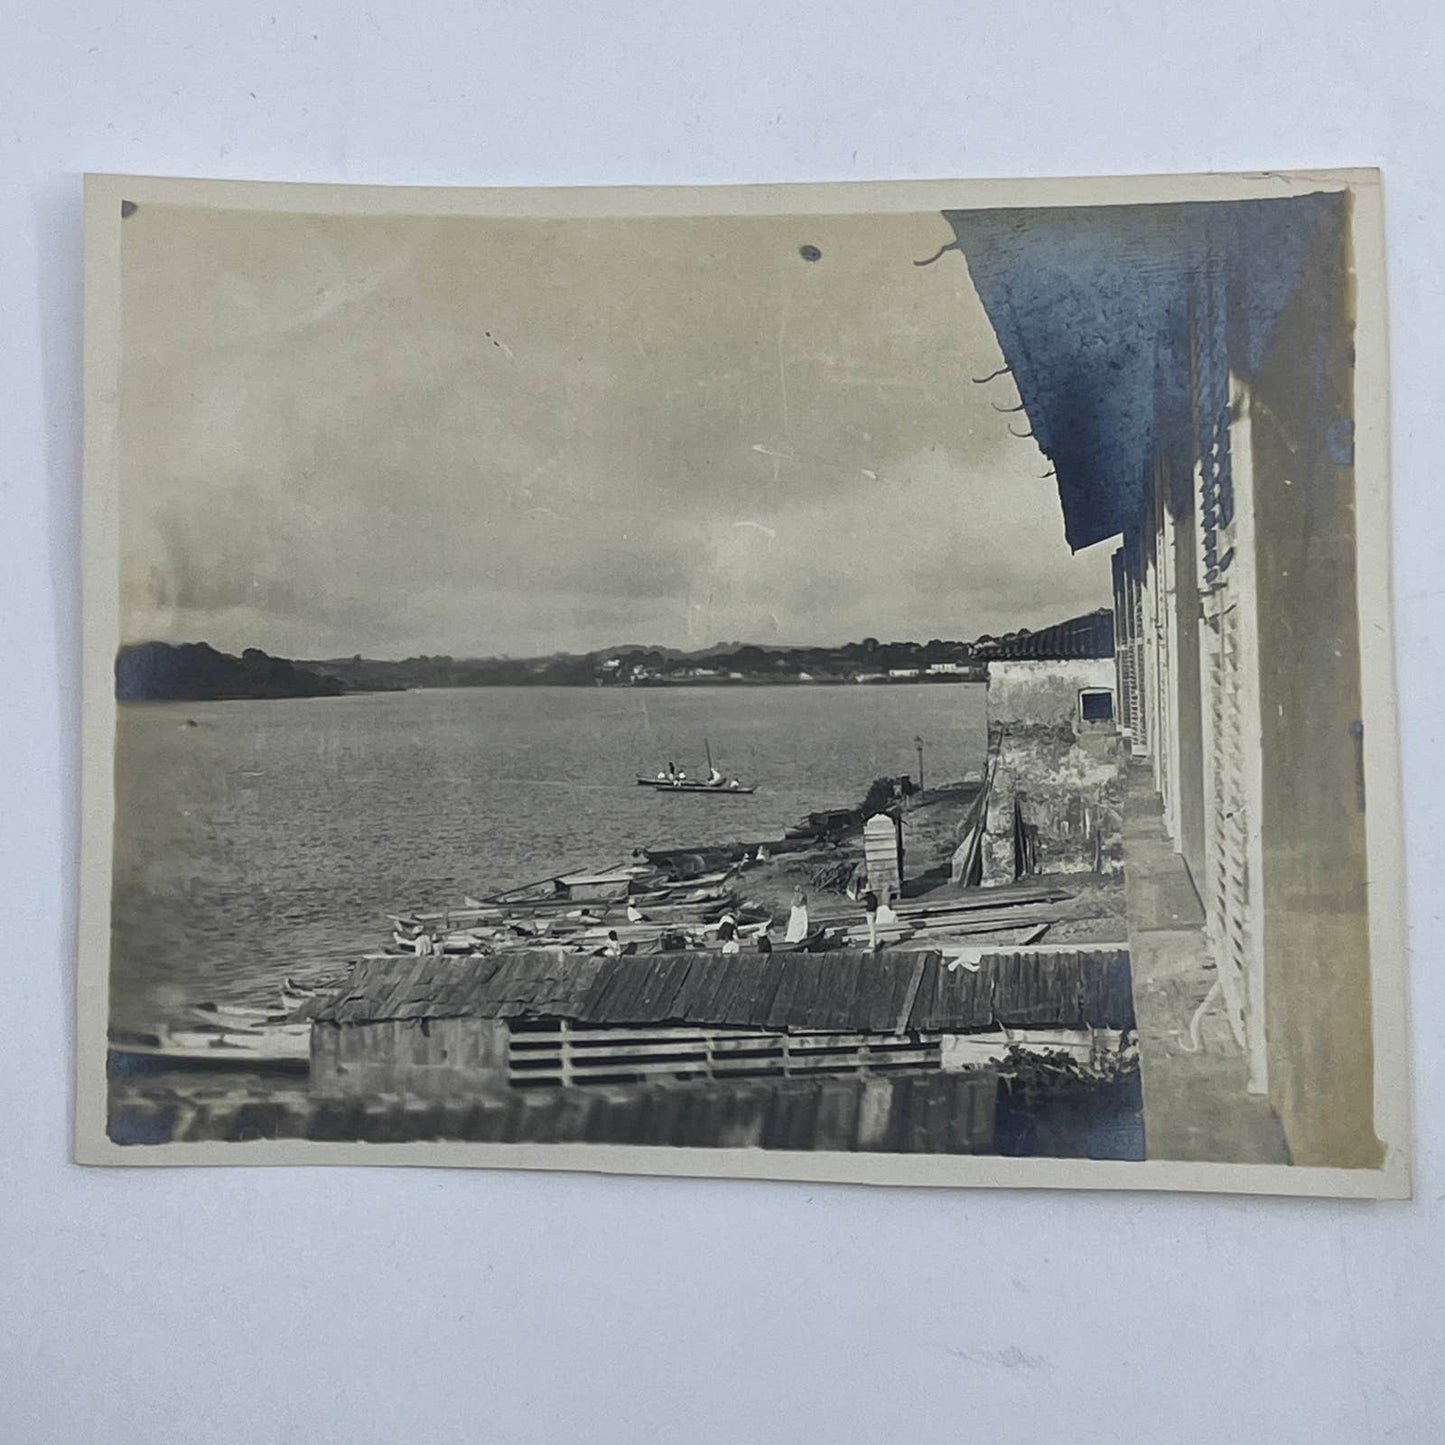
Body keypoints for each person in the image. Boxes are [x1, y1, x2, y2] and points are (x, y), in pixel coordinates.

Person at [862, 886, 880, 951]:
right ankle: (874, 941)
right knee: (872, 928)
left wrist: (866, 906)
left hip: (870, 913)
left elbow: (870, 906)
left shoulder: (868, 898)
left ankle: (872, 943)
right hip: (874, 912)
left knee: (871, 928)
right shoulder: (874, 896)